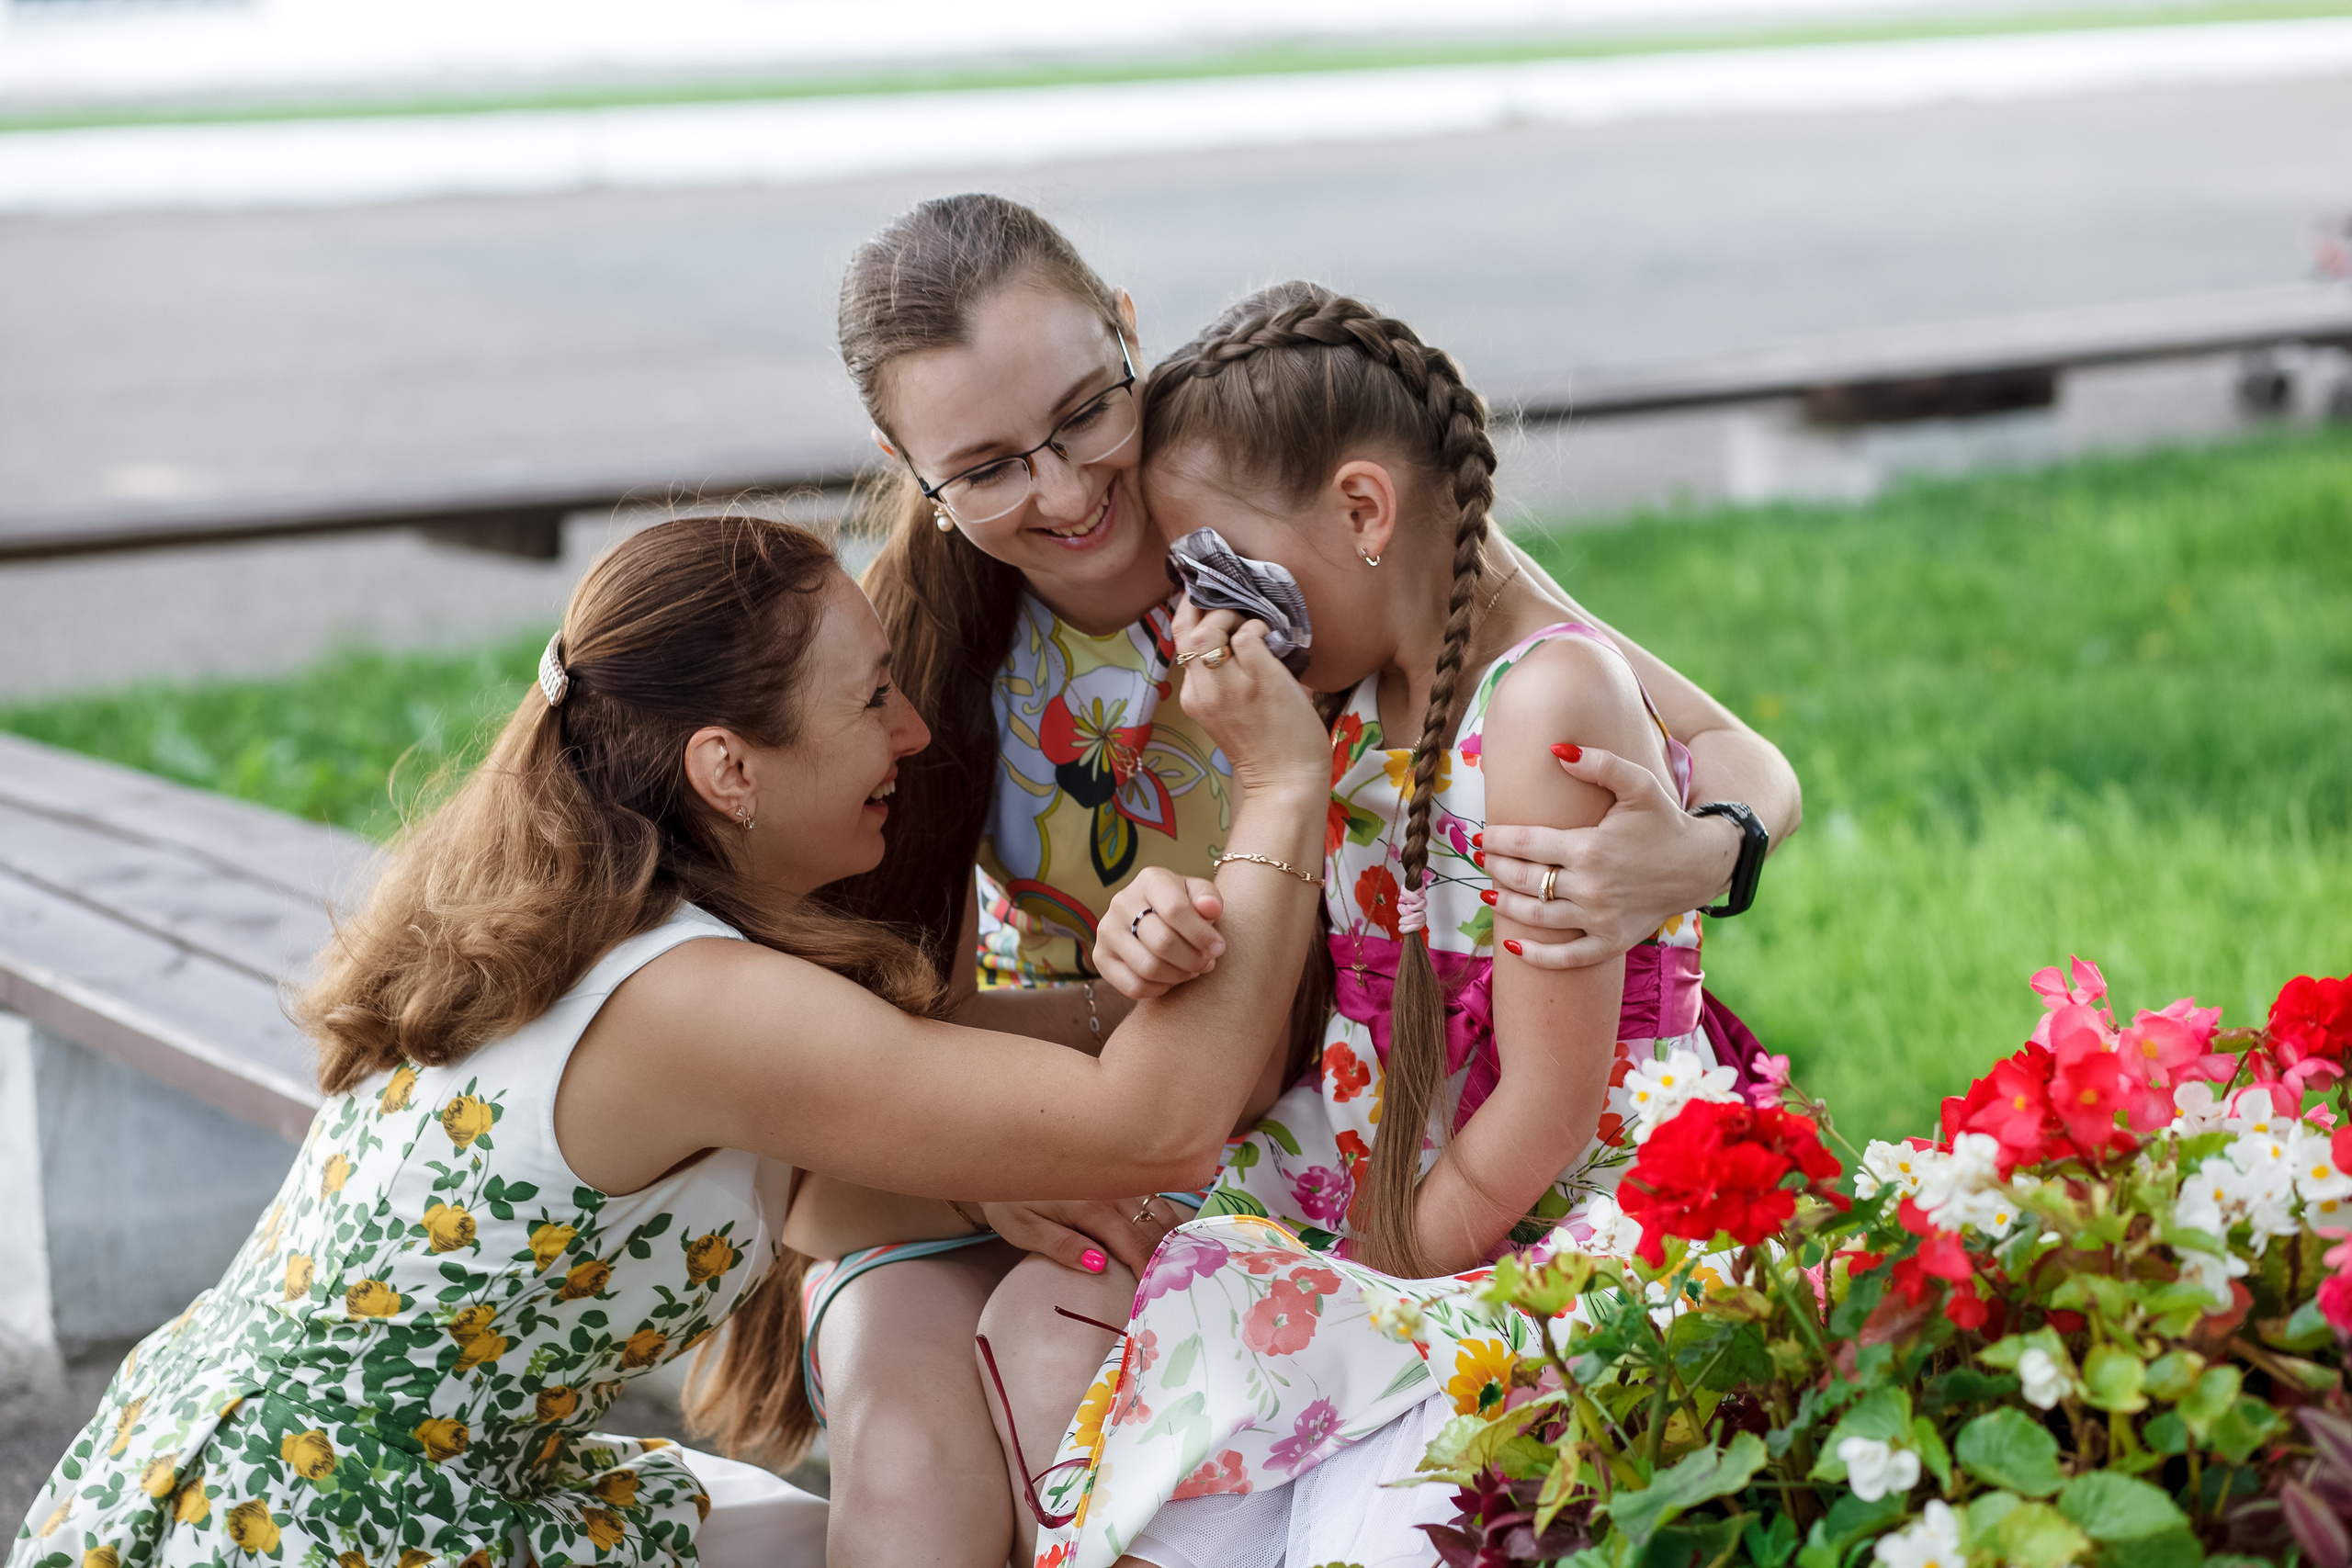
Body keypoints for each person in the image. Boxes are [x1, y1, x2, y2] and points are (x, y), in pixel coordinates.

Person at [5, 513, 1331, 1568]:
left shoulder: (590, 905)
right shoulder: (695, 1000)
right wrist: (1278, 786)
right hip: (340, 1533)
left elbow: (816, 1170)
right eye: (873, 700)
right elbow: (1158, 1125)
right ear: (728, 770)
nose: (914, 735)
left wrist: (1126, 987)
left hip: (240, 1483)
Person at [797, 193, 1803, 1568]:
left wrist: (1709, 848)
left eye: (1088, 413)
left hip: (1356, 1126)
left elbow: (1714, 741)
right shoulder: (926, 648)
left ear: (1130, 336)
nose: (1068, 491)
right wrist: (989, 1173)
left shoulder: (1315, 532)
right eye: (984, 468)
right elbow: (812, 1031)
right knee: (919, 1461)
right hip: (1086, 1128)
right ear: (908, 467)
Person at [1008, 282, 1760, 1568]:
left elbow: (1548, 1106)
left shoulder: (1543, 701)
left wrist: (1367, 1280)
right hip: (1400, 1173)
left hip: (1532, 1208)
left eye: (1219, 570)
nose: (1205, 620)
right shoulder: (1352, 693)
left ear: (1364, 511)